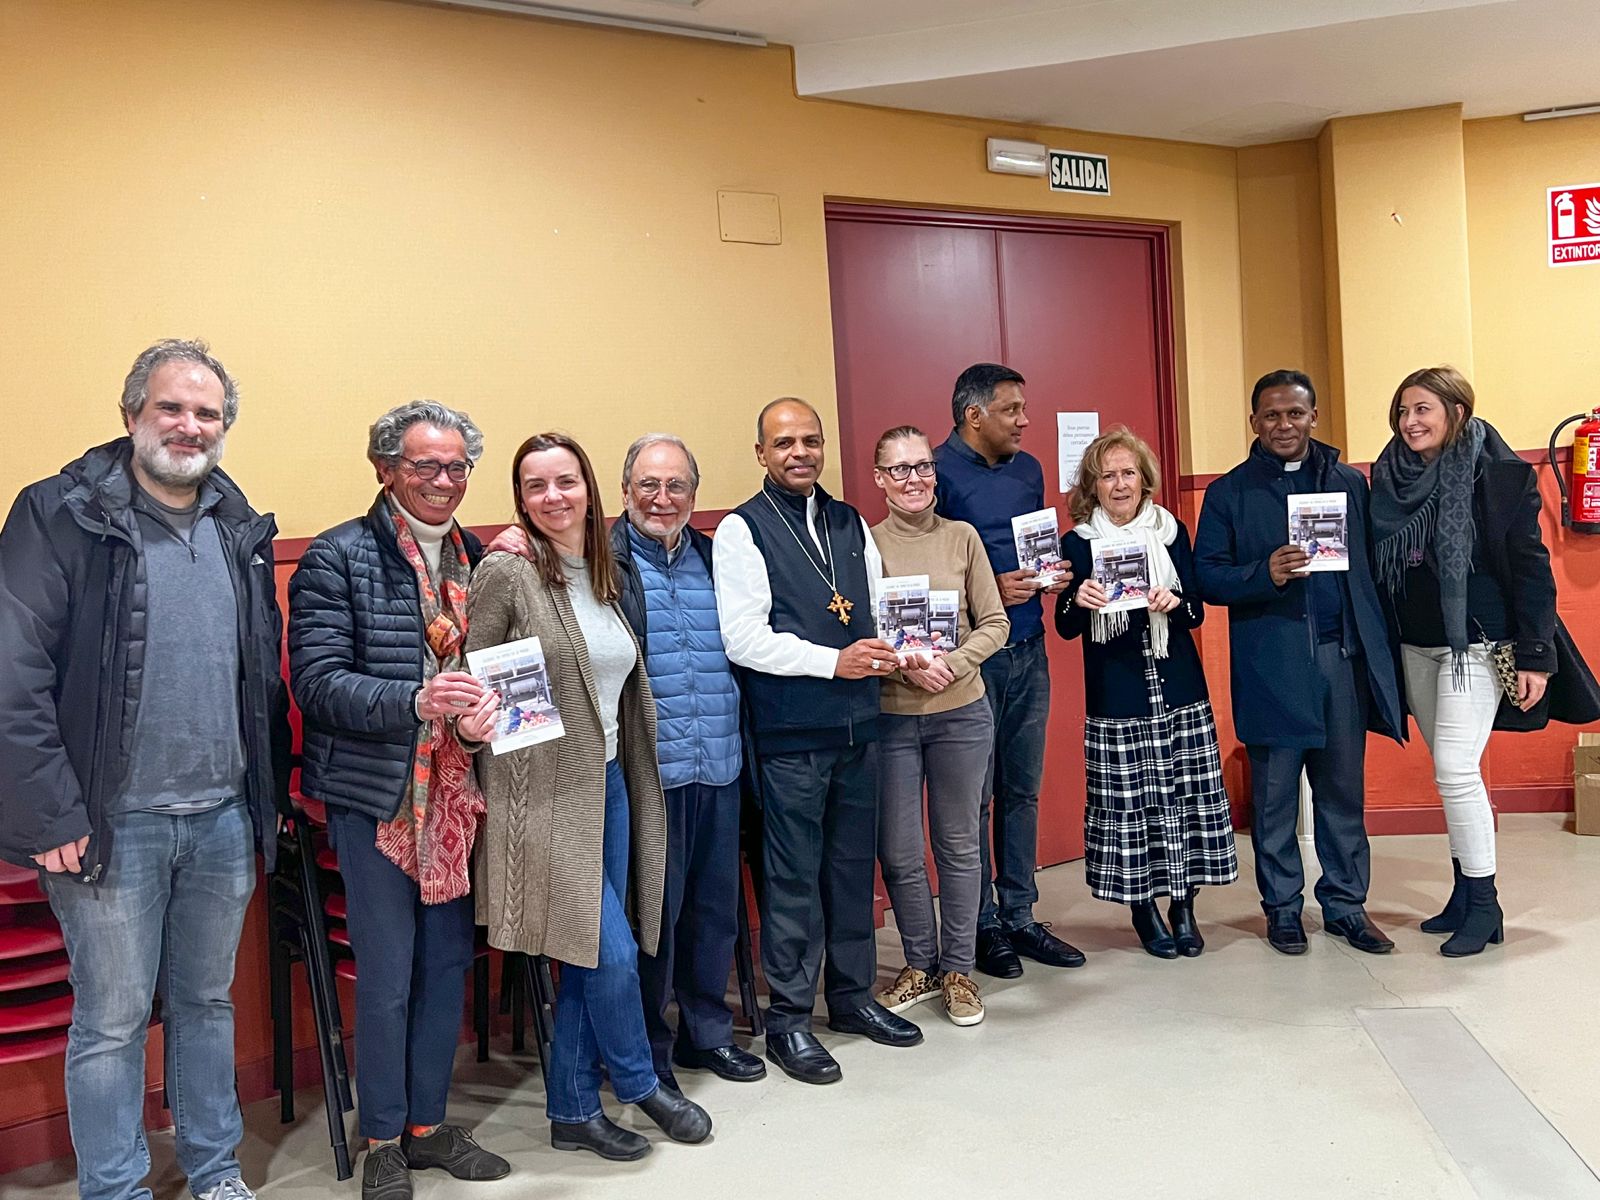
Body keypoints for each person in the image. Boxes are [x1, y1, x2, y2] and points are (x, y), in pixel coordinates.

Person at [0, 339, 288, 1200]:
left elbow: (260, 673)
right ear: (131, 414)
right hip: (107, 825)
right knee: (112, 1021)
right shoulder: (57, 513)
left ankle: (215, 1171)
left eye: (208, 413)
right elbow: (13, 673)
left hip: (223, 819)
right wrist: (52, 815)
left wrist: (263, 800)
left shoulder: (237, 522)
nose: (189, 425)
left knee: (207, 1005)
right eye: (171, 407)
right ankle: (115, 1188)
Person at [467, 432, 710, 1159]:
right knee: (613, 951)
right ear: (520, 498)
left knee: (585, 951)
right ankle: (640, 1083)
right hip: (541, 796)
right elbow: (476, 682)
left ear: (589, 488)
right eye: (535, 486)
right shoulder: (508, 571)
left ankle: (572, 1112)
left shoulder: (601, 569)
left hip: (609, 782)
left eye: (565, 481)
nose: (553, 497)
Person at [289, 400, 509, 1200]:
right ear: (385, 469)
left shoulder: (478, 557)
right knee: (386, 973)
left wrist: (478, 726)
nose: (444, 481)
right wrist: (415, 701)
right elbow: (317, 684)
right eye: (425, 466)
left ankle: (427, 1126)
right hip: (375, 797)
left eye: (457, 467)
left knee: (446, 965)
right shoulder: (335, 556)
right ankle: (382, 1136)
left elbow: (492, 673)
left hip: (455, 794)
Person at [715, 398, 920, 1085]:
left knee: (851, 871)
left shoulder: (848, 520)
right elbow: (744, 639)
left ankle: (853, 998)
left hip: (860, 725)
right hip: (792, 733)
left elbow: (877, 608)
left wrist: (906, 649)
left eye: (810, 440)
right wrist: (835, 662)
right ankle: (790, 1021)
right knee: (794, 881)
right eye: (784, 443)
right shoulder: (742, 529)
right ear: (761, 453)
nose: (799, 452)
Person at [1371, 366, 1600, 957]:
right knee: (1451, 772)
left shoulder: (1497, 474)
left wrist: (1535, 656)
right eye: (1402, 411)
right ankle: (1463, 894)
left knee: (1455, 770)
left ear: (1456, 411)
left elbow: (1530, 565)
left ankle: (1484, 902)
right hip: (1415, 646)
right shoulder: (1389, 477)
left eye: (1423, 409)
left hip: (1477, 643)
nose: (1410, 422)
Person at [1194, 370, 1404, 956]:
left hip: (1341, 660)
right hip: (1272, 665)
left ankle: (1346, 906)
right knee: (1275, 799)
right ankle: (1283, 909)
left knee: (1342, 793)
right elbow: (1206, 576)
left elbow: (1373, 568)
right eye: (1271, 415)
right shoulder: (1229, 493)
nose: (1283, 425)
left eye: (1295, 413)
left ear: (1314, 416)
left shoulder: (1347, 482)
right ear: (1253, 422)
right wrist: (1263, 573)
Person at [611, 434, 766, 1085]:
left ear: (694, 495)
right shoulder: (606, 564)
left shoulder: (714, 557)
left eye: (676, 485)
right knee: (654, 920)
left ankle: (707, 1034)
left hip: (721, 765)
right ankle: (648, 1045)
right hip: (651, 776)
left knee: (713, 912)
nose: (662, 498)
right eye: (648, 484)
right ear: (625, 491)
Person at [1056, 429, 1237, 957]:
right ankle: (1143, 910)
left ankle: (1184, 905)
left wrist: (1174, 602)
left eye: (1128, 473)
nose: (1119, 484)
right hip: (1118, 698)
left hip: (1178, 692)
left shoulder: (1171, 531)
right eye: (1107, 475)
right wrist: (1078, 600)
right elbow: (1064, 625)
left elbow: (1197, 611)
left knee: (1186, 800)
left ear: (1144, 479)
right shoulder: (1078, 544)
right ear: (1092, 485)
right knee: (1129, 808)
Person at [933, 364, 1084, 978]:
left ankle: (1020, 914)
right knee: (974, 798)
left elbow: (1032, 546)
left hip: (1029, 648)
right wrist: (987, 592)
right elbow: (925, 571)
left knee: (1022, 788)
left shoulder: (1029, 470)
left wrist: (1053, 574)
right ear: (974, 415)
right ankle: (980, 924)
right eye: (1012, 409)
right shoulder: (935, 474)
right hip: (974, 660)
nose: (1025, 420)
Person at [868, 426, 1009, 1025]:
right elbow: (859, 635)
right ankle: (919, 965)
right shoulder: (865, 546)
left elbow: (996, 622)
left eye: (923, 466)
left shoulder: (962, 537)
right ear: (879, 479)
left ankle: (958, 969)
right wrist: (903, 667)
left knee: (958, 846)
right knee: (900, 851)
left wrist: (952, 663)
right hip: (892, 719)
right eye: (899, 469)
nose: (914, 479)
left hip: (962, 713)